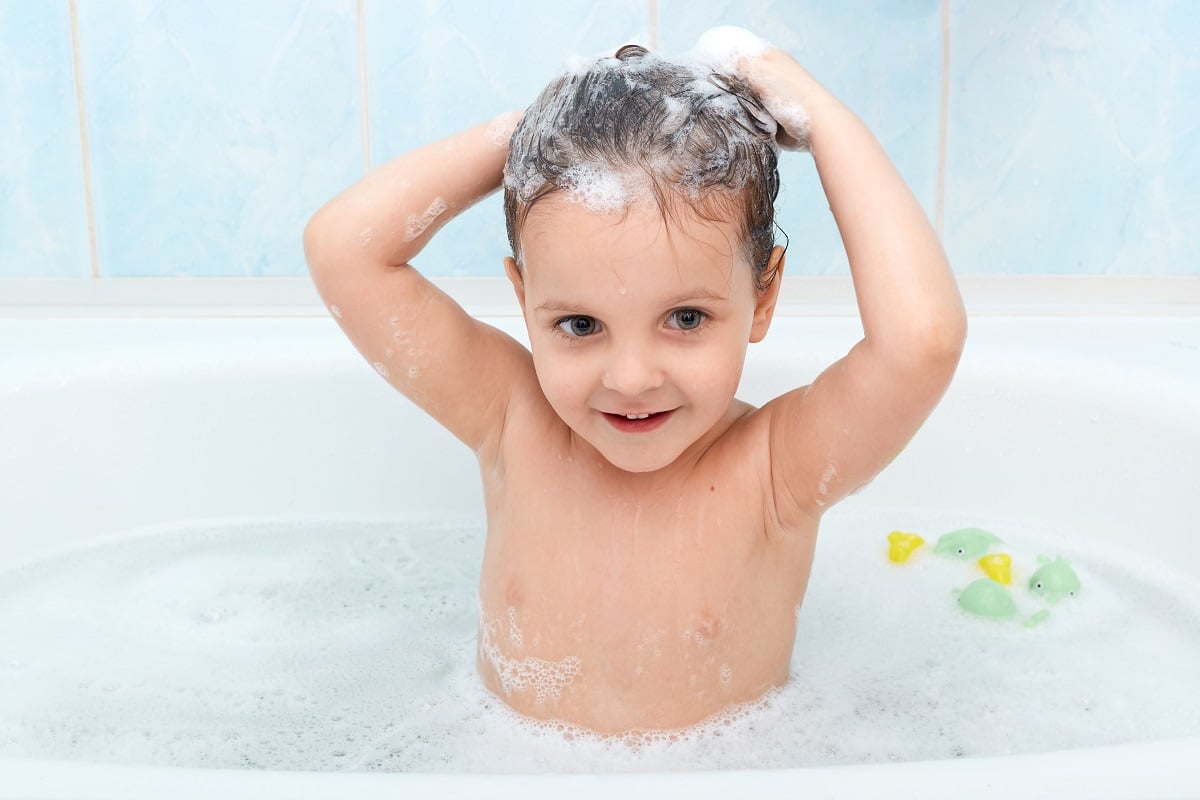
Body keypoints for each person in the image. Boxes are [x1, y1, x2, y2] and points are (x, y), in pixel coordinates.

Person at [303, 29, 966, 736]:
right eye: (580, 325)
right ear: (525, 300)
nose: (630, 378)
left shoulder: (777, 470)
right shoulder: (513, 420)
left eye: (685, 317)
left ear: (763, 297)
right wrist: (531, 133)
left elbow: (919, 344)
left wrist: (820, 117)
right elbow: (344, 251)